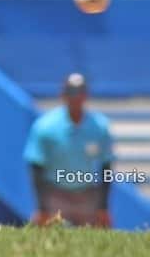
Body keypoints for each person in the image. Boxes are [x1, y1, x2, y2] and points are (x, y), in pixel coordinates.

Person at [24, 73, 115, 228]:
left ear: (86, 95)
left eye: (80, 92)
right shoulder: (46, 127)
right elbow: (36, 167)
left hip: (87, 194)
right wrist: (42, 207)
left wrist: (103, 206)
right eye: (72, 92)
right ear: (63, 95)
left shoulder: (99, 127)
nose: (76, 97)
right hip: (56, 194)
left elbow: (106, 166)